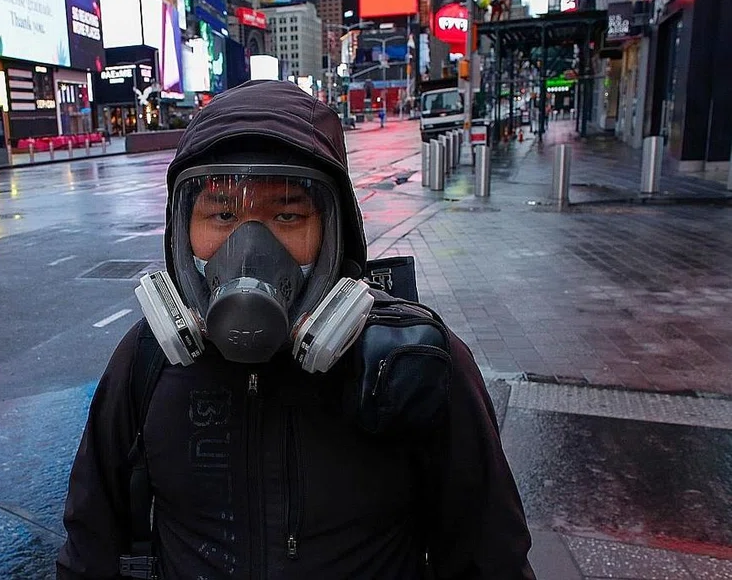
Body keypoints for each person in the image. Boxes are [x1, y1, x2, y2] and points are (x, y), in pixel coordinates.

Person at [57, 80, 536, 580]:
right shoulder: (146, 362)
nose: (250, 246)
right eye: (222, 214)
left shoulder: (413, 367)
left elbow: (491, 561)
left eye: (288, 215)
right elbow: (89, 550)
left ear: (334, 232)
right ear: (183, 230)